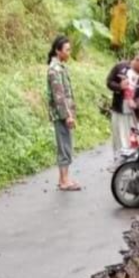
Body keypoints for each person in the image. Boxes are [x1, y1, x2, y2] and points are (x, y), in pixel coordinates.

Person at [46, 36, 80, 191]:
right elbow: (59, 96)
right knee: (64, 145)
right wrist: (68, 116)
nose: (69, 53)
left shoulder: (61, 67)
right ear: (57, 51)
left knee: (66, 144)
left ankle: (63, 179)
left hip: (64, 114)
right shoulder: (54, 70)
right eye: (67, 50)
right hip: (61, 115)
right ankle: (64, 181)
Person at [106, 52, 139, 161]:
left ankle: (132, 164)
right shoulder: (120, 68)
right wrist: (119, 86)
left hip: (134, 114)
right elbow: (109, 82)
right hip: (119, 110)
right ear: (136, 60)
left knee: (133, 140)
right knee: (118, 138)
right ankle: (118, 162)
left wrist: (136, 103)